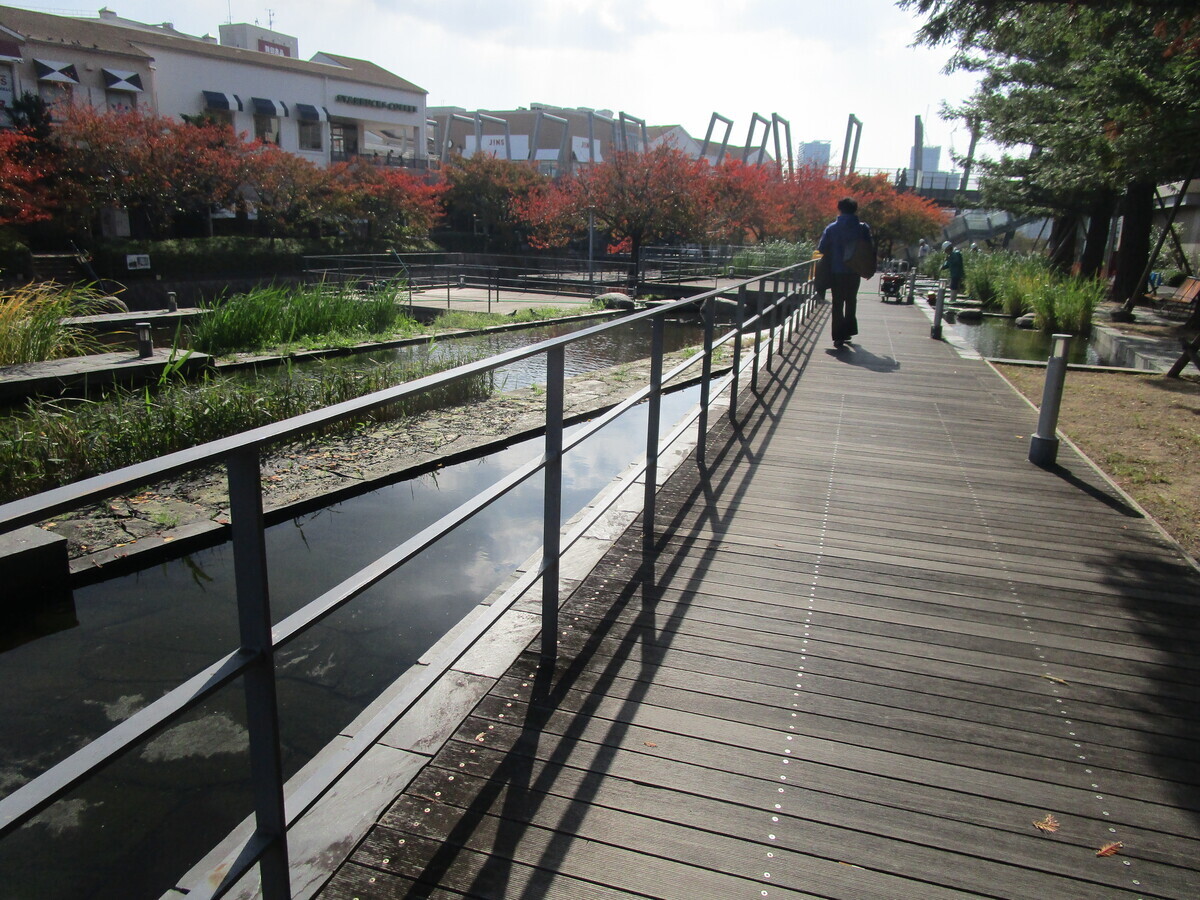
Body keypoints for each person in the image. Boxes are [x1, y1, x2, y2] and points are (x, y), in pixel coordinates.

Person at [817, 197, 873, 349]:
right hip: (855, 270)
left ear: (839, 209)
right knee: (851, 300)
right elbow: (869, 248)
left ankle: (838, 336)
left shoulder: (832, 228)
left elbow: (821, 248)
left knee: (837, 303)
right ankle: (848, 331)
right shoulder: (862, 228)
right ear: (855, 209)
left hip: (836, 270)